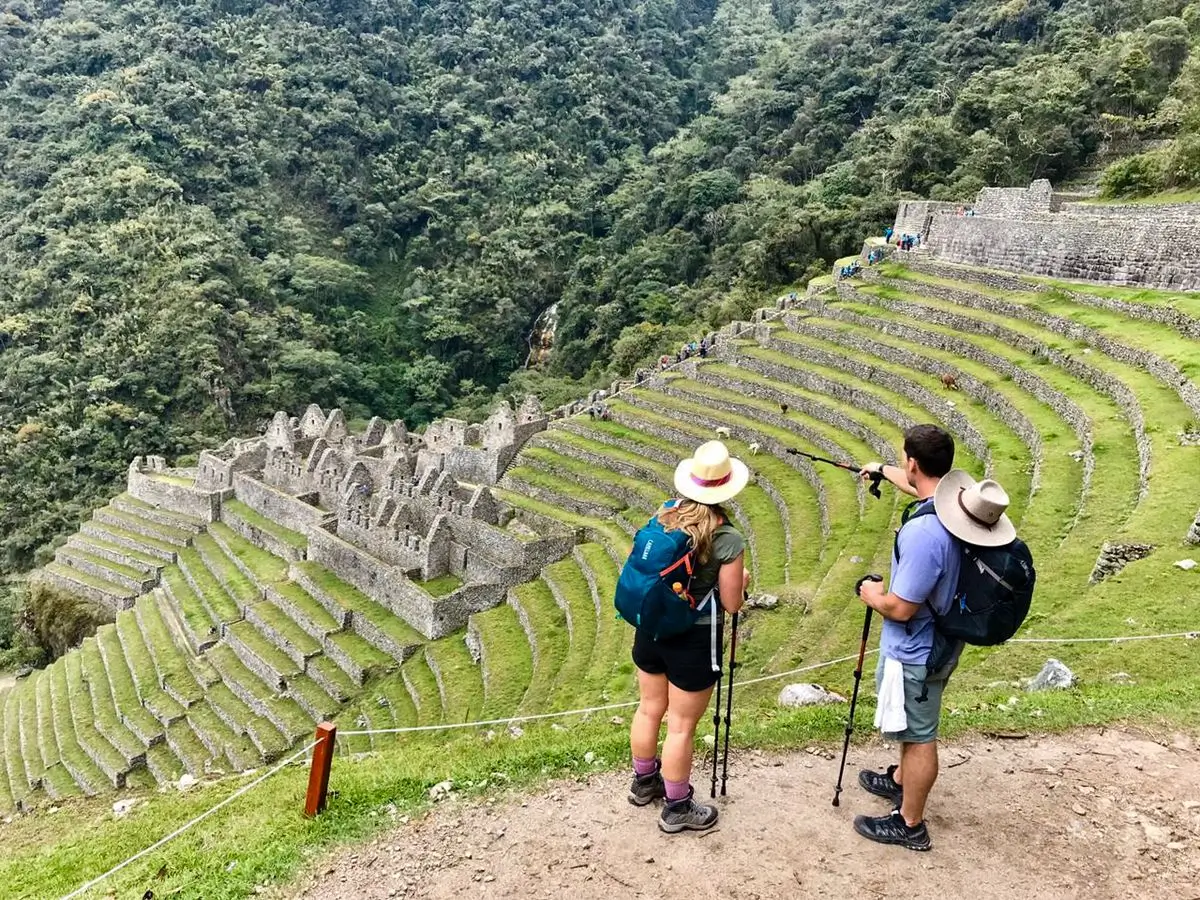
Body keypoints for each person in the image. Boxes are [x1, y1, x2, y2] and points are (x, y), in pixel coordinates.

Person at [852, 424, 966, 851]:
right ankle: (901, 781)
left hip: (918, 648)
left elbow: (901, 608)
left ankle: (910, 823)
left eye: (903, 459)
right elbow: (916, 485)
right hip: (941, 638)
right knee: (912, 724)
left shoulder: (923, 534)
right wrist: (881, 469)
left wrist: (871, 594)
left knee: (919, 736)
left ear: (914, 462)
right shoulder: (955, 503)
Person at [628, 441, 750, 833]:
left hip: (650, 627)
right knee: (680, 725)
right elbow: (731, 603)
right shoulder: (727, 538)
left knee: (649, 709)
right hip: (692, 639)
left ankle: (644, 783)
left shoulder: (665, 514)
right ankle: (677, 806)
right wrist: (742, 582)